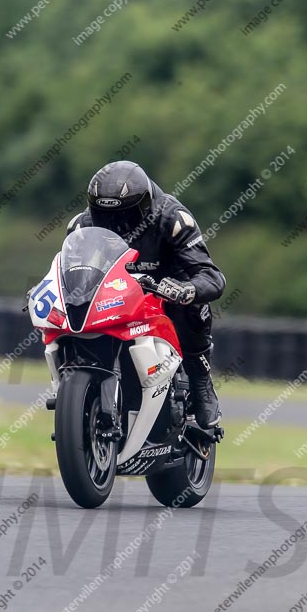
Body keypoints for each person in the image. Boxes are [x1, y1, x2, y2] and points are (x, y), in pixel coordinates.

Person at [66, 160, 226, 430]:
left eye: (124, 215)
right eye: (105, 216)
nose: (115, 224)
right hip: (115, 294)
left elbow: (212, 276)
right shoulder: (81, 227)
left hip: (165, 292)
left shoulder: (173, 219)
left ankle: (201, 382)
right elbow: (70, 272)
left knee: (194, 306)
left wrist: (186, 289)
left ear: (145, 206)